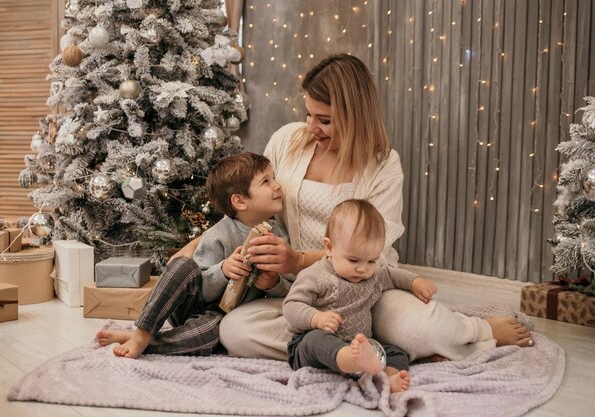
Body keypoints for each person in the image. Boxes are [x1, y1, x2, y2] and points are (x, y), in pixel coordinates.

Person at [216, 53, 533, 362]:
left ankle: (475, 329)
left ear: (355, 117)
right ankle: (354, 347)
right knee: (235, 330)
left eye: (324, 120)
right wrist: (199, 248)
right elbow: (253, 202)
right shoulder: (288, 140)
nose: (311, 126)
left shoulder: (383, 165)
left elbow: (377, 255)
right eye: (308, 114)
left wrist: (297, 259)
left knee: (419, 328)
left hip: (367, 288)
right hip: (305, 292)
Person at [97, 152, 292, 358]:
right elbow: (200, 284)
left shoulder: (278, 237)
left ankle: (149, 343)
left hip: (220, 316)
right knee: (182, 265)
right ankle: (142, 331)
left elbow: (287, 288)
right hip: (191, 301)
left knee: (210, 338)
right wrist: (223, 271)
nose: (277, 186)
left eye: (274, 178)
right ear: (240, 201)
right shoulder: (220, 233)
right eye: (266, 182)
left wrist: (272, 283)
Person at [284, 199, 438, 392]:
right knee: (315, 340)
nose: (363, 269)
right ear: (329, 247)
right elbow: (291, 306)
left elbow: (392, 274)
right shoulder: (315, 275)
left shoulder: (373, 275)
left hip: (359, 342)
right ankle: (352, 360)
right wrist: (316, 318)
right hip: (312, 347)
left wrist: (415, 282)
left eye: (371, 260)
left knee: (397, 353)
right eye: (353, 259)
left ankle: (388, 378)